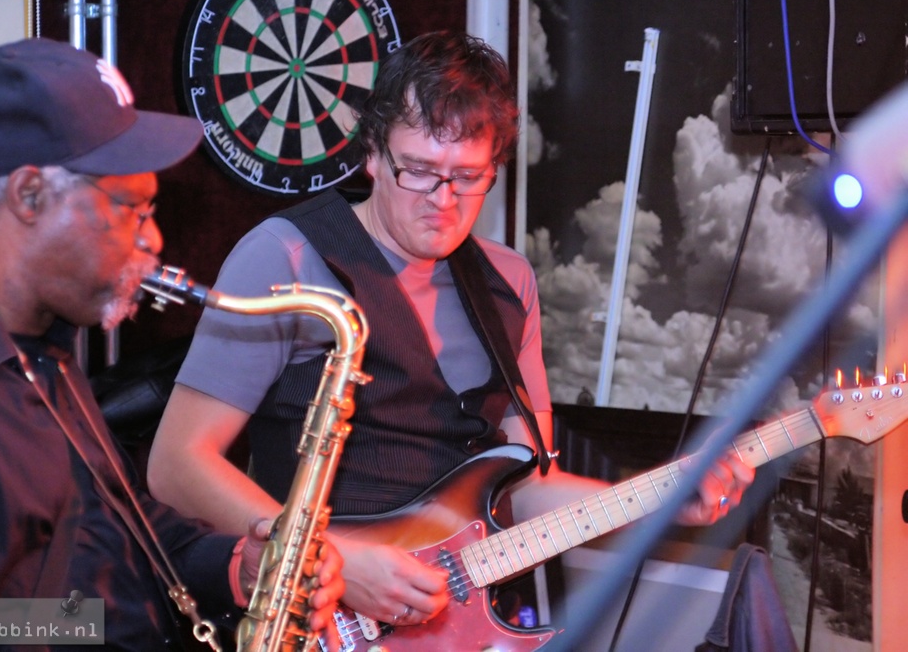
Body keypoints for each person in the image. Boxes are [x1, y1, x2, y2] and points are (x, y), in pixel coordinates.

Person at [148, 31, 754, 633]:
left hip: (460, 622)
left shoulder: (508, 281)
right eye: (418, 170)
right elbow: (177, 465)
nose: (443, 200)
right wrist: (327, 558)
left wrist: (665, 500)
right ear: (374, 154)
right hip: (318, 617)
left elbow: (528, 490)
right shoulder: (284, 256)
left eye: (467, 177)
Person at [0, 38, 343, 650]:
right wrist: (89, 623)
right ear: (29, 195)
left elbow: (111, 524)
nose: (152, 238)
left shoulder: (40, 341)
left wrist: (234, 566)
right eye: (133, 207)